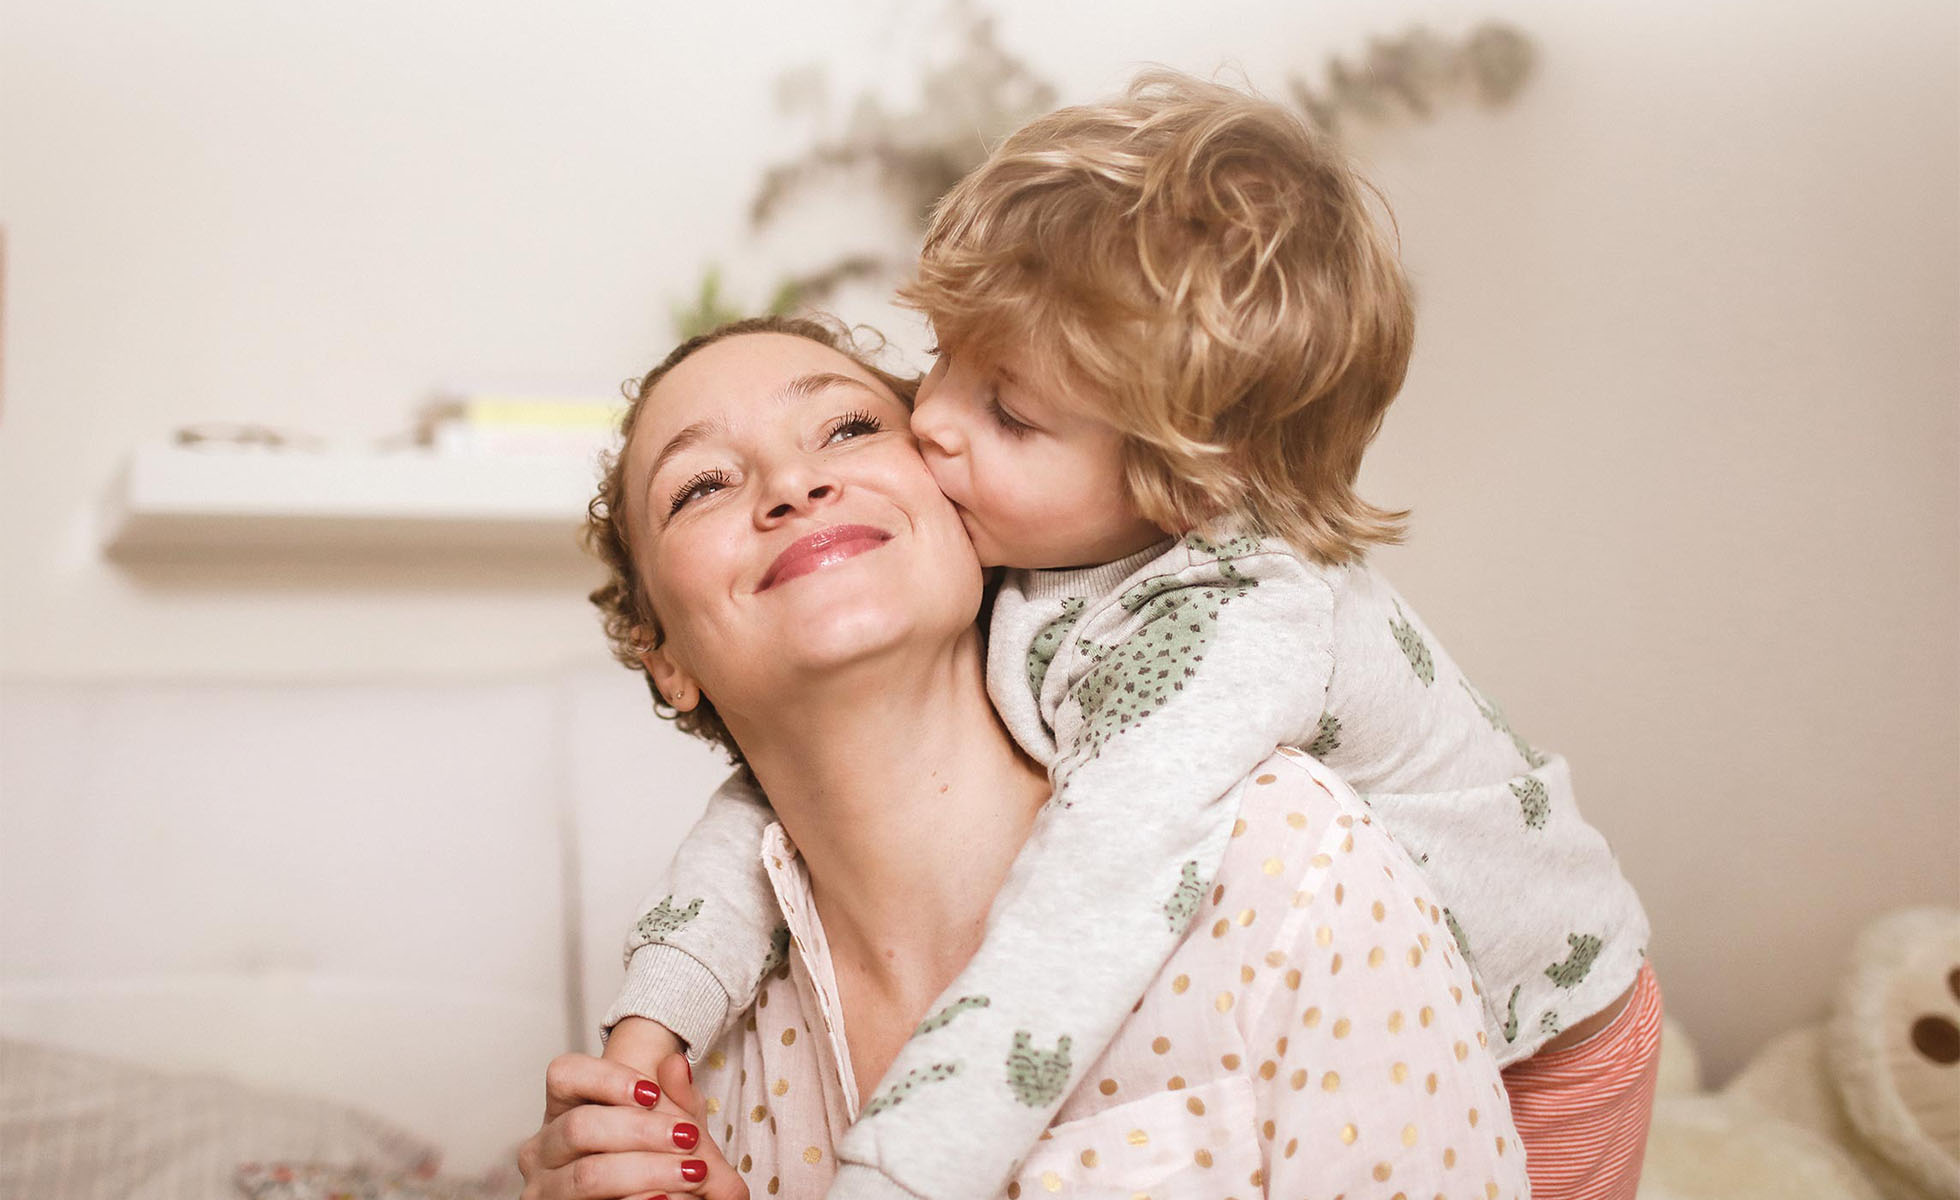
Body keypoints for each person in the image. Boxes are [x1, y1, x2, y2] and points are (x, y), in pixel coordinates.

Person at [602, 73, 1661, 1200]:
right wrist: (651, 1014)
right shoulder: (1038, 534)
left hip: (1555, 1037)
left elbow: (1089, 905)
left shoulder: (1232, 654)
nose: (935, 423)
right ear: (664, 655)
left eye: (1005, 413)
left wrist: (897, 1173)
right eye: (939, 360)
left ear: (1186, 488)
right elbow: (771, 809)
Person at [518, 317, 1527, 1199]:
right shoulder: (699, 1067)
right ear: (667, 658)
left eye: (851, 427)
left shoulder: (1286, 860)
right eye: (701, 485)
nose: (792, 483)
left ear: (965, 510)